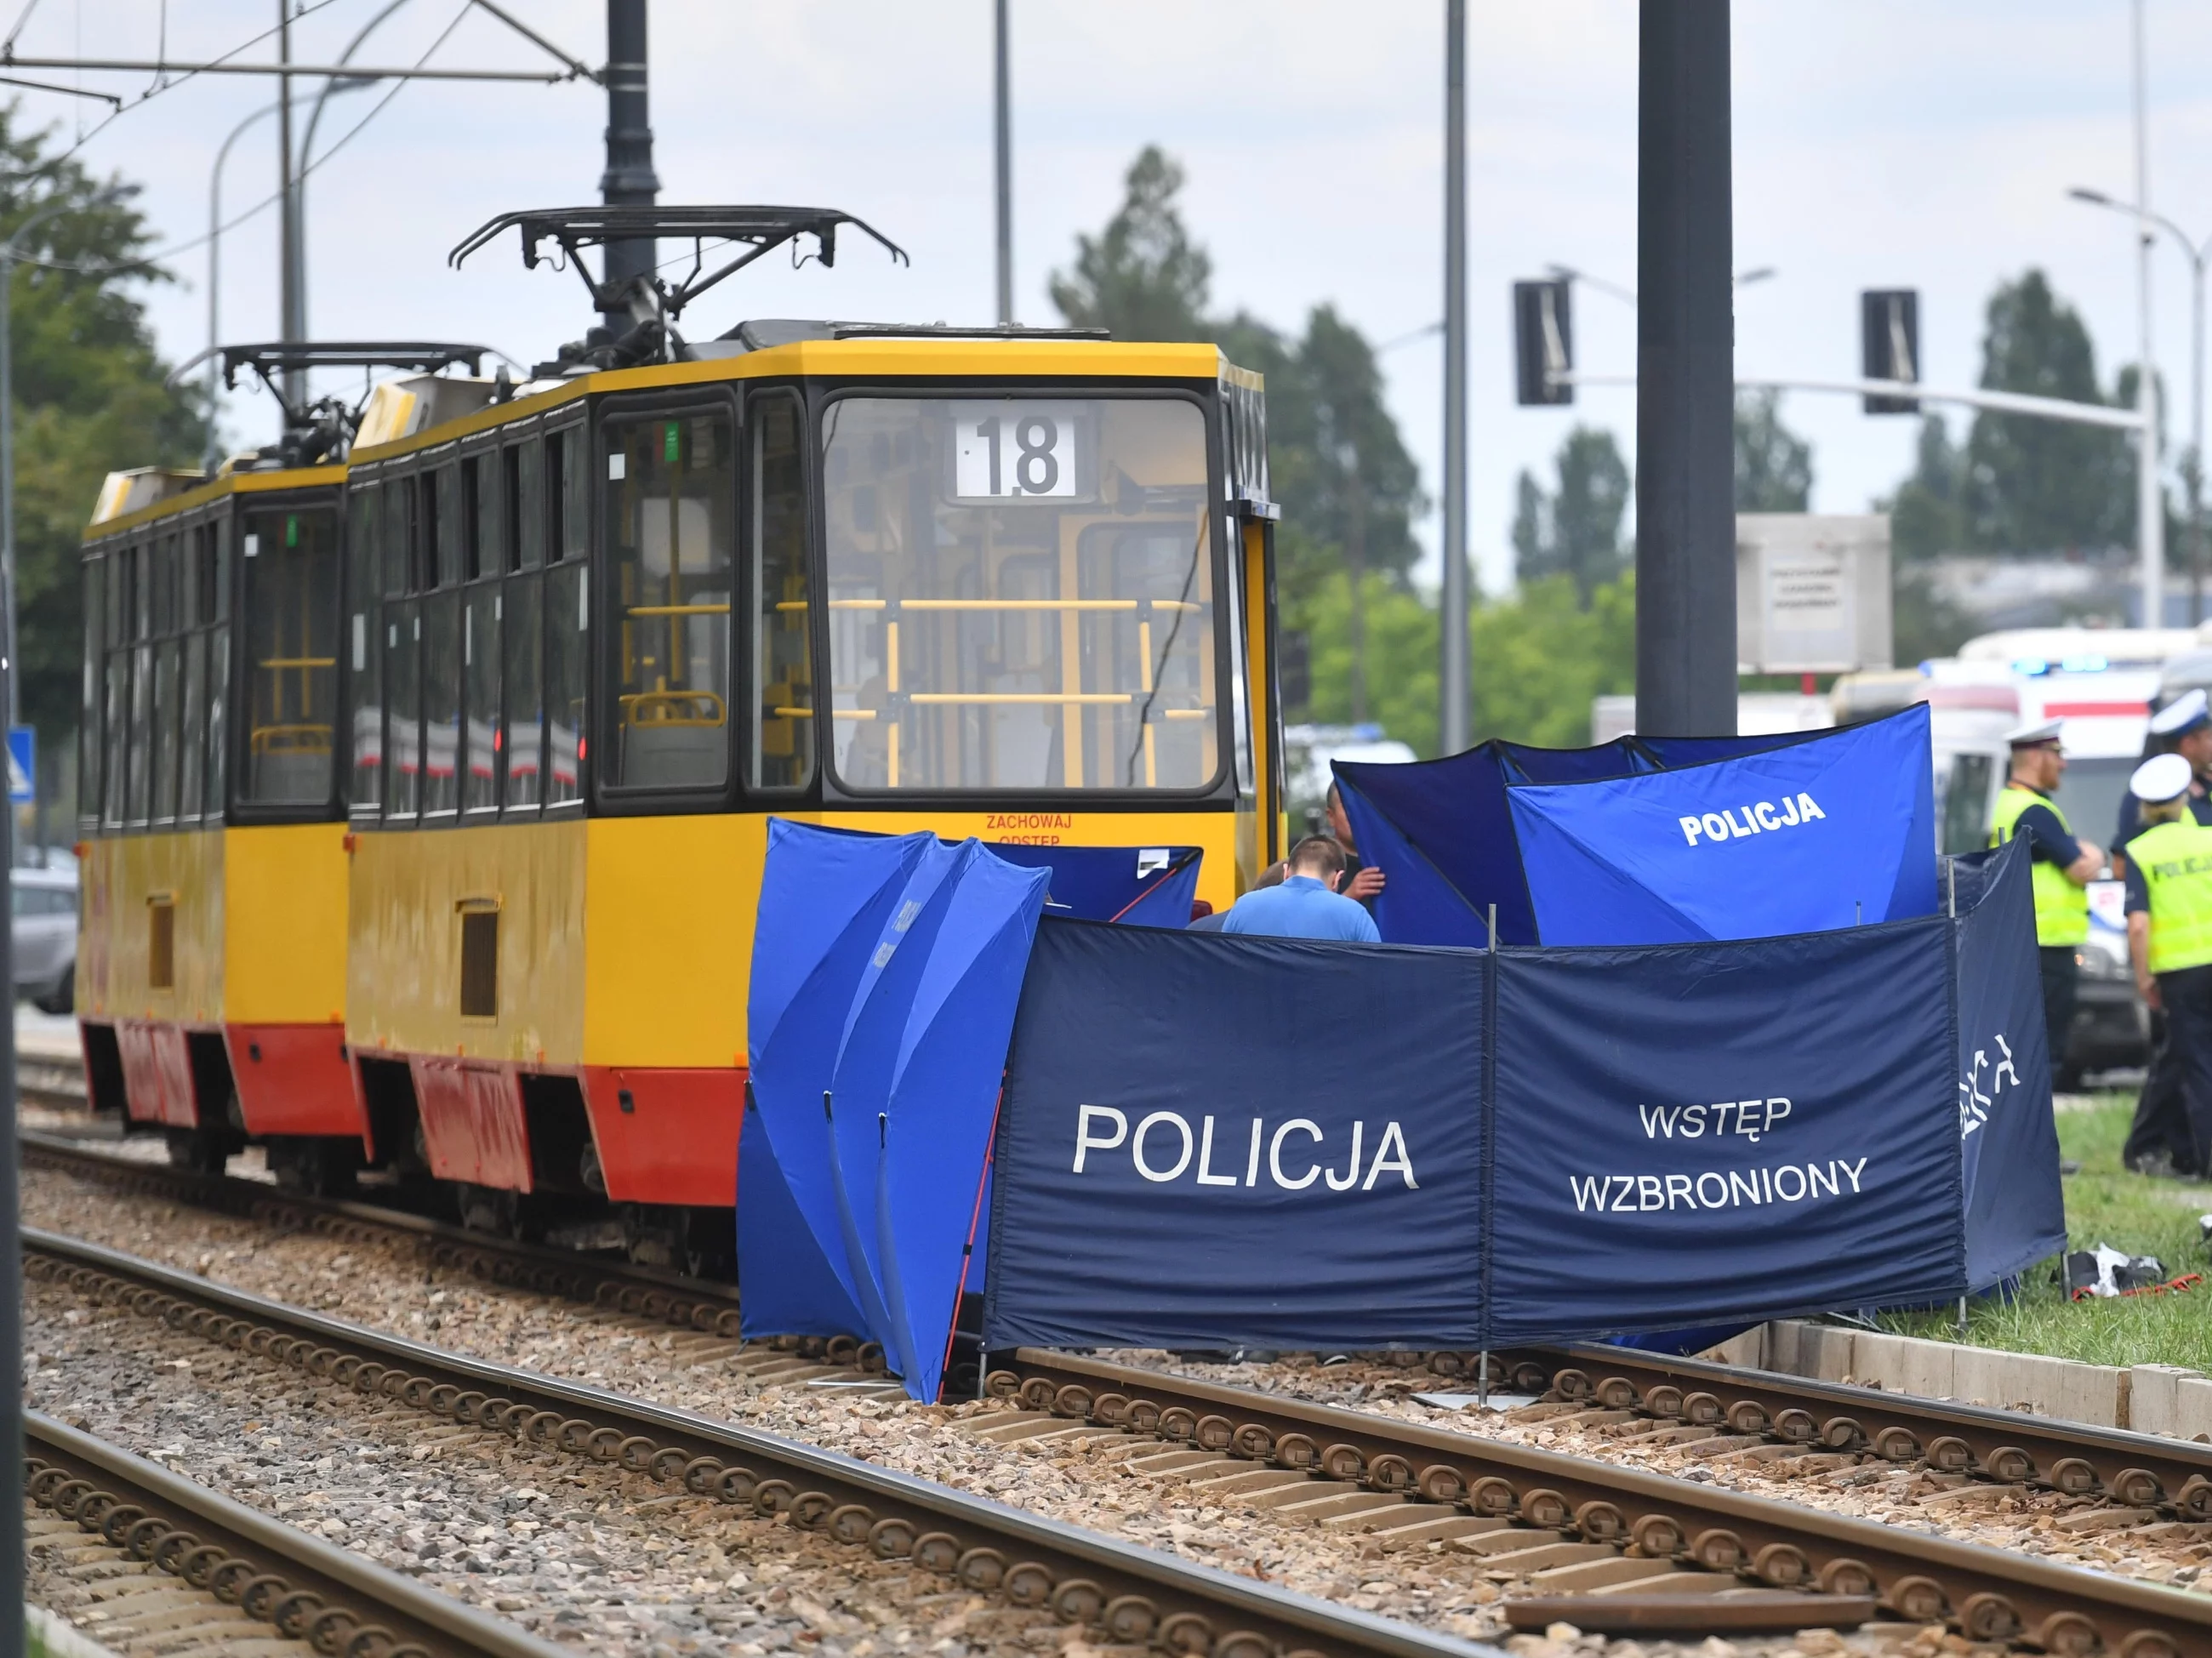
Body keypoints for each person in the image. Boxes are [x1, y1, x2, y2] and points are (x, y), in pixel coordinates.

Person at [2116, 690, 2212, 1171]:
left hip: (2177, 969)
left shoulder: (2146, 848)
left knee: (2195, 1067)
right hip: (2196, 963)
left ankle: (2192, 1157)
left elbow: (2138, 923)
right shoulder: (2203, 836)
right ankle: (2171, 1149)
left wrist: (2143, 977)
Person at [1988, 718, 2105, 1072]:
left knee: (2025, 1040)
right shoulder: (2034, 811)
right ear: (2038, 757)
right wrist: (2096, 854)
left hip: (2024, 939)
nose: (2063, 764)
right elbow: (2081, 867)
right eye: (2057, 755)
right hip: (2047, 944)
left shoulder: (2007, 803)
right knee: (2048, 1042)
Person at [2112, 689, 2212, 872]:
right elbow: (2122, 867)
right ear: (2189, 744)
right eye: (2209, 737)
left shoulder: (2206, 786)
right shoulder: (2149, 796)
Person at [1220, 835, 1381, 943]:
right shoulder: (1356, 916)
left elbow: (1223, 965)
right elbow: (1375, 975)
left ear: (1286, 872)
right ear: (1337, 879)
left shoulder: (1244, 906)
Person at [1325, 781, 1386, 908]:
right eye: (1348, 806)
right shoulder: (1316, 865)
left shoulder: (1390, 861)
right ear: (1331, 816)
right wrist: (1350, 896)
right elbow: (1306, 917)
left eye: (1362, 805)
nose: (1356, 814)